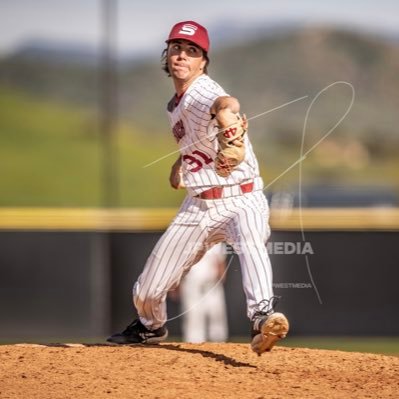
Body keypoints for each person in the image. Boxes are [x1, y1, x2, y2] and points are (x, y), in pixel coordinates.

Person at [107, 20, 289, 355]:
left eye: (192, 51)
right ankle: (150, 326)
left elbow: (225, 103)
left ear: (202, 62)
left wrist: (228, 118)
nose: (182, 56)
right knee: (146, 291)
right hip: (198, 205)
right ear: (168, 54)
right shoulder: (175, 104)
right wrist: (181, 163)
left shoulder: (202, 91)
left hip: (242, 196)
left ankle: (262, 317)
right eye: (176, 48)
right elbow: (196, 140)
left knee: (251, 242)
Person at [180, 242, 228, 343]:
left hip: (212, 282)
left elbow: (220, 262)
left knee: (216, 312)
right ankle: (193, 341)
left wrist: (222, 277)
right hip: (192, 282)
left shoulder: (216, 240)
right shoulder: (187, 240)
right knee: (193, 313)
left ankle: (219, 341)